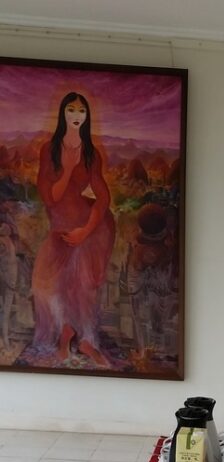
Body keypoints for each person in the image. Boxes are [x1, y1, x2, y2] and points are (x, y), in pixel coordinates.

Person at [31, 92, 115, 367]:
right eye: (71, 109)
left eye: (82, 111)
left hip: (87, 227)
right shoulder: (49, 150)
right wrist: (67, 170)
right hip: (59, 227)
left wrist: (86, 230)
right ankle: (65, 332)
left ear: (86, 116)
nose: (76, 115)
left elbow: (103, 197)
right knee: (46, 286)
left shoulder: (92, 152)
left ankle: (87, 340)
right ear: (63, 114)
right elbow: (50, 197)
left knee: (82, 286)